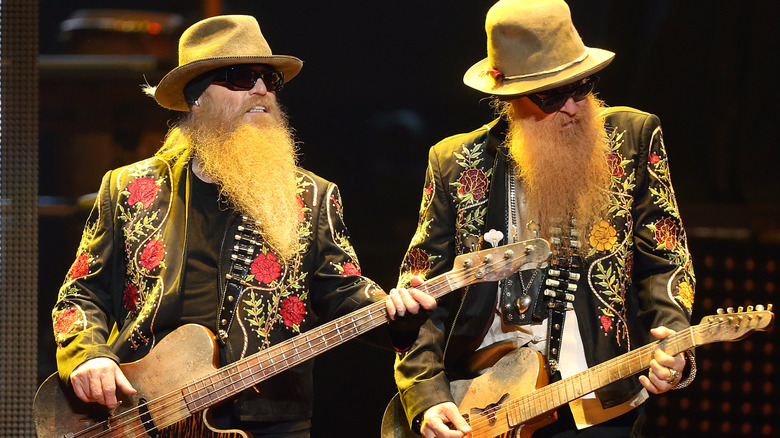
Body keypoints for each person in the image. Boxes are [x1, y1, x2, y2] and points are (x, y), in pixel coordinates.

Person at [50, 14, 435, 437]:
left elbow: (343, 292)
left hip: (270, 419)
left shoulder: (312, 196)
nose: (261, 90)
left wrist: (396, 312)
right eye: (241, 77)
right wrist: (88, 356)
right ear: (196, 97)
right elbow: (81, 291)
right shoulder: (128, 187)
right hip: (141, 415)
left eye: (271, 81)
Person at [392, 1, 696, 437]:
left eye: (582, 86)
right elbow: (420, 295)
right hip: (488, 404)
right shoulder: (456, 162)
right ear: (509, 98)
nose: (572, 106)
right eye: (552, 96)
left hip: (601, 400)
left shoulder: (632, 138)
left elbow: (667, 259)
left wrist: (673, 340)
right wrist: (428, 396)